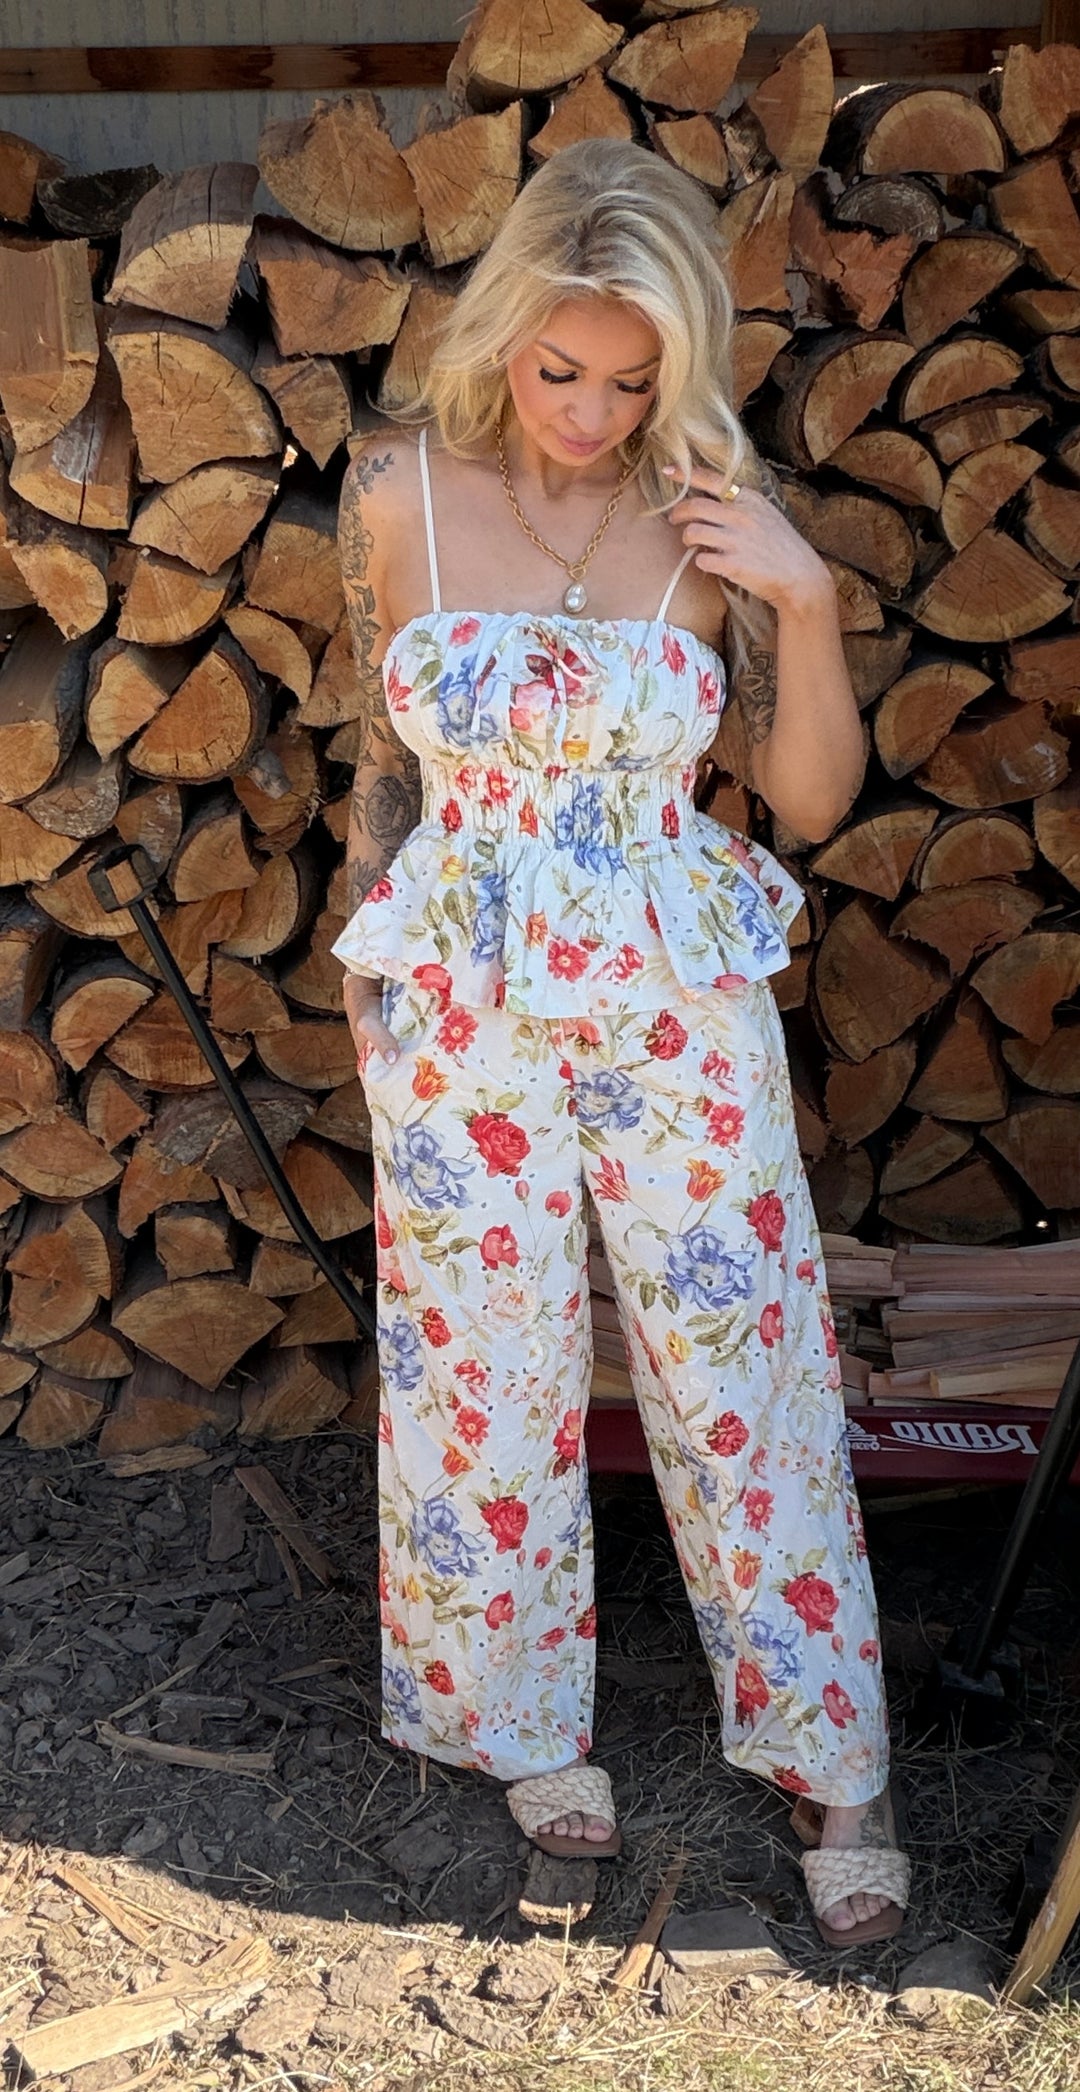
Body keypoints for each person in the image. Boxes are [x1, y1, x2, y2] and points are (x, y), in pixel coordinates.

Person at [333, 137, 910, 1949]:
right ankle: (518, 1728)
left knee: (751, 1370)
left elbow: (805, 799)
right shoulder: (394, 487)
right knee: (476, 1371)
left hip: (674, 990)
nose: (590, 411)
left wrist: (801, 596)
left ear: (685, 366)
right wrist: (362, 950)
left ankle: (838, 1760)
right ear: (503, 331)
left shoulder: (713, 514)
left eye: (634, 379)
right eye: (558, 367)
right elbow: (381, 748)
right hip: (461, 1002)